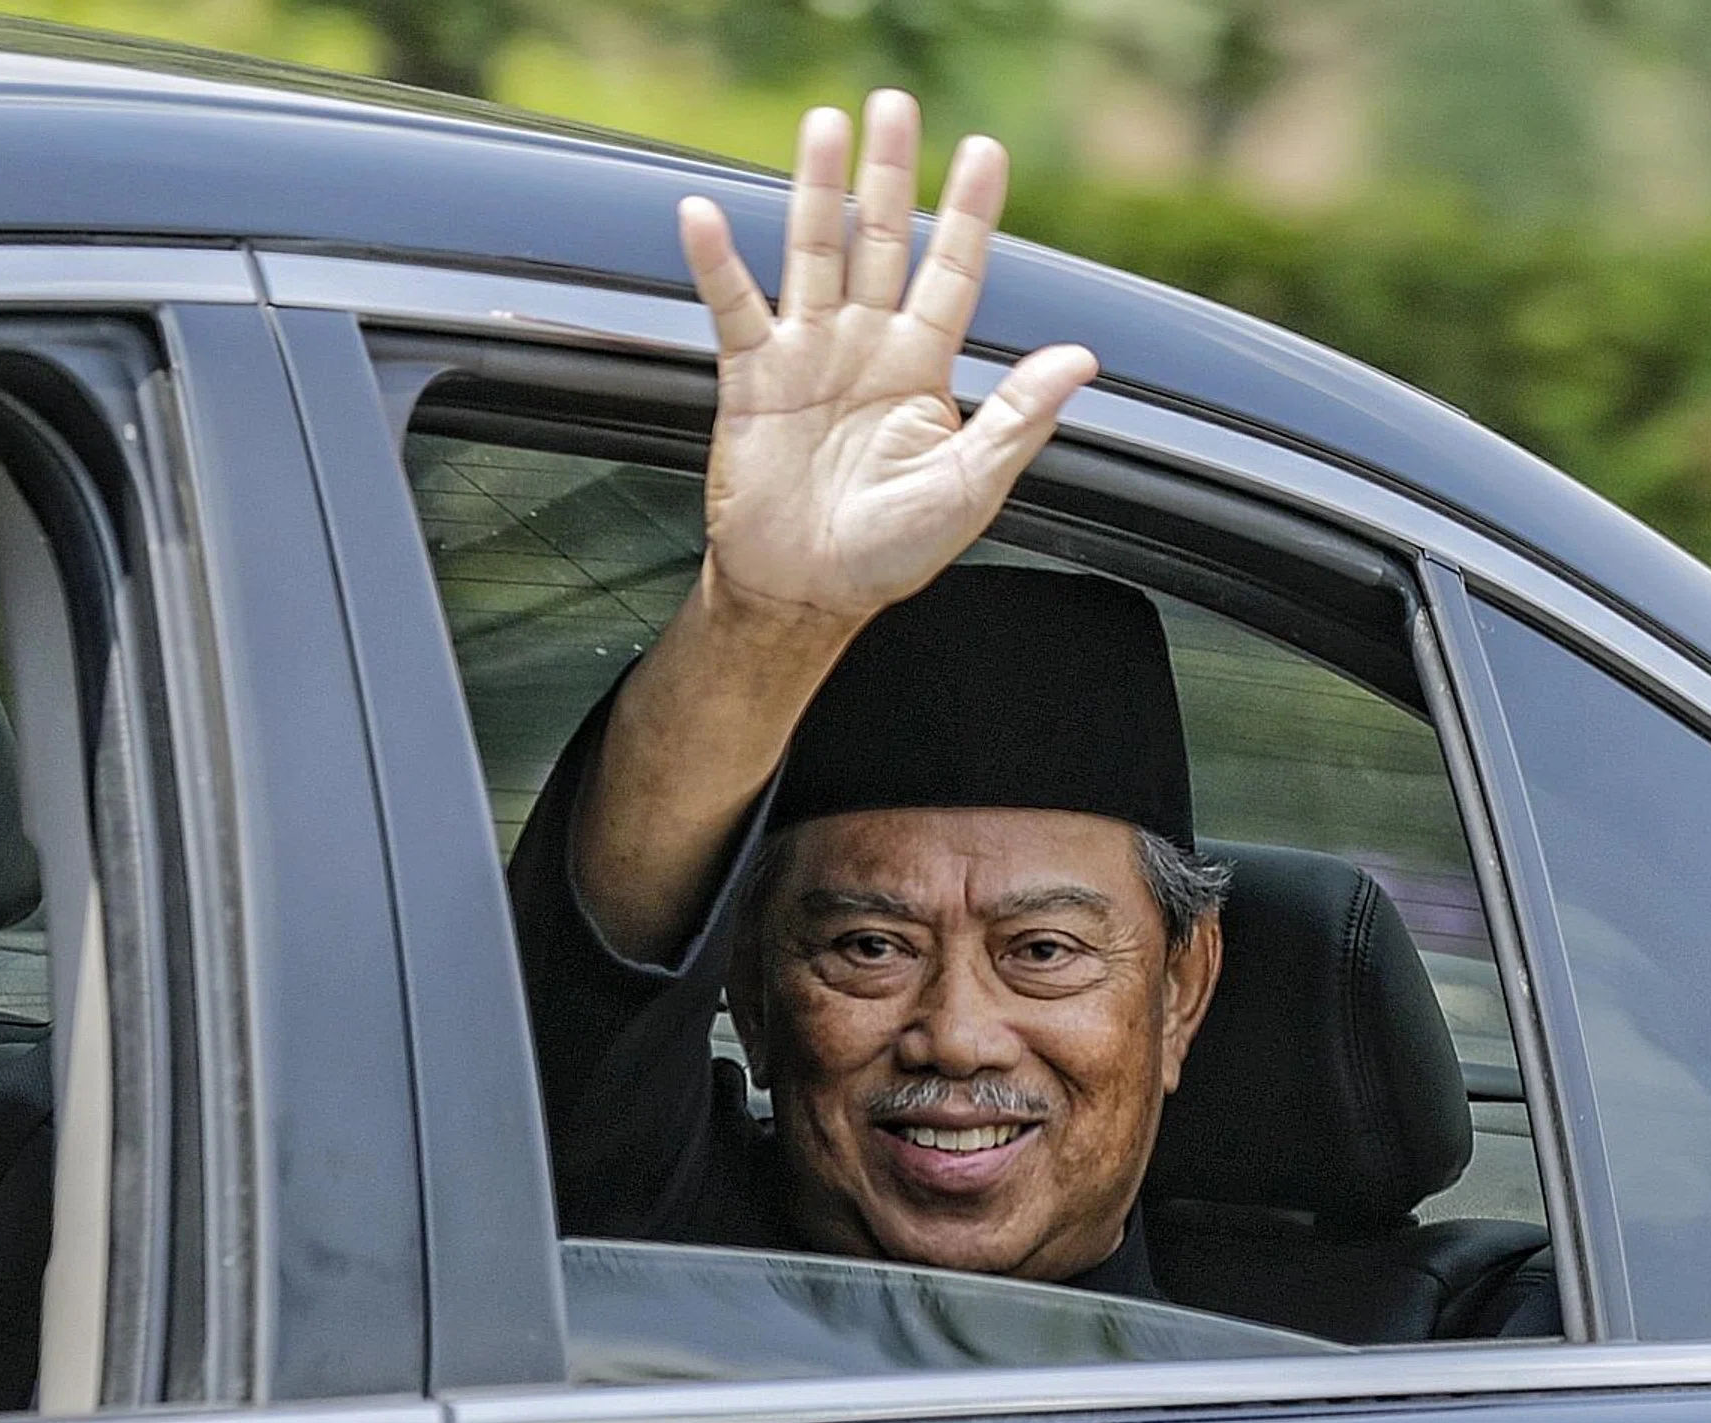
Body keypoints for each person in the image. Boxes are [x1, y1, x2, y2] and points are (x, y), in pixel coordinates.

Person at [509, 88, 1226, 1298]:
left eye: (1043, 950)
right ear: (745, 979)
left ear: (1180, 992)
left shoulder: (1357, 1396)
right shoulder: (640, 1254)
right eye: (869, 947)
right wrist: (768, 621)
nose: (955, 1034)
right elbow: (583, 1005)